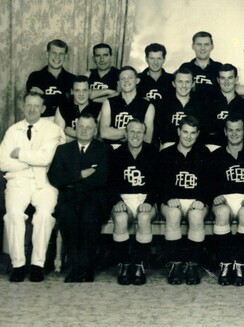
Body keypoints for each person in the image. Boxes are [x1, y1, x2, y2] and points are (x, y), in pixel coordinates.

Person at [0, 92, 65, 282]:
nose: (32, 109)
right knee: (13, 214)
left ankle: (38, 264)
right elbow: (2, 162)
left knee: (44, 215)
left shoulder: (52, 129)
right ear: (23, 106)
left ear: (43, 109)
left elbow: (46, 158)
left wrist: (19, 153)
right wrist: (29, 161)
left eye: (36, 106)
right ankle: (19, 264)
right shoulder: (13, 130)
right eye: (29, 105)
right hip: (18, 181)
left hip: (44, 181)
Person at [48, 114, 110, 282]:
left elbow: (102, 178)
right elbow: (54, 176)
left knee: (89, 216)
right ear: (75, 129)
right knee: (67, 216)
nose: (84, 130)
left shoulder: (103, 149)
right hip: (68, 200)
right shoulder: (63, 150)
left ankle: (87, 268)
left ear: (95, 130)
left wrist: (71, 181)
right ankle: (76, 267)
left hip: (94, 198)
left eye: (88, 127)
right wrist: (80, 174)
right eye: (81, 127)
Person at [210, 114, 244, 286]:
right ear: (225, 132)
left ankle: (239, 264)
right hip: (224, 200)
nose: (234, 134)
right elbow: (209, 181)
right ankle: (226, 264)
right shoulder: (217, 154)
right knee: (222, 213)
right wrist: (214, 195)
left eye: (238, 130)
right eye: (230, 130)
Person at [159, 116, 210, 285]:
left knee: (196, 216)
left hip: (196, 201)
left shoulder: (204, 153)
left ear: (198, 134)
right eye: (185, 132)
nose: (188, 136)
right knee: (173, 214)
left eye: (193, 133)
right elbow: (160, 183)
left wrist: (202, 199)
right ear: (179, 131)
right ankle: (175, 264)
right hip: (173, 201)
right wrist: (168, 198)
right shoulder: (166, 154)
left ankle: (192, 265)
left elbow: (211, 182)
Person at [109, 119, 159, 285]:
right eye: (132, 131)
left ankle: (139, 264)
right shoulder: (116, 153)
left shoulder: (152, 152)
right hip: (123, 198)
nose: (135, 135)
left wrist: (150, 201)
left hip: (145, 198)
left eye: (139, 132)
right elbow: (109, 182)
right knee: (121, 218)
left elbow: (159, 182)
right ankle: (124, 265)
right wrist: (116, 200)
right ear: (125, 133)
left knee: (144, 218)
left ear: (144, 134)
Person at [99, 66, 155, 148]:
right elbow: (104, 133)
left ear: (137, 80)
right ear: (118, 82)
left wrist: (116, 132)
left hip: (136, 150)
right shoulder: (108, 102)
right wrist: (135, 133)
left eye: (130, 77)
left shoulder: (148, 106)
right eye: (122, 78)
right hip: (112, 148)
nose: (126, 81)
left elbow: (147, 138)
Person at [26, 39, 75, 119]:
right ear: (47, 54)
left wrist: (44, 97)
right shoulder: (35, 77)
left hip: (64, 123)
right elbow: (34, 102)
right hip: (41, 121)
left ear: (65, 57)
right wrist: (63, 97)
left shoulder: (72, 79)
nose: (57, 57)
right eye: (54, 53)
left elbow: (72, 106)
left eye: (61, 54)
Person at [208, 63, 244, 147]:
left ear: (236, 79)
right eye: (222, 78)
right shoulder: (208, 102)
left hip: (237, 149)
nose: (226, 82)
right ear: (218, 80)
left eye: (230, 78)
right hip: (214, 147)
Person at [158, 68, 202, 148]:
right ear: (173, 83)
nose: (184, 86)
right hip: (169, 146)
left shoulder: (200, 105)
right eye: (180, 82)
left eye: (187, 82)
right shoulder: (164, 104)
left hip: (193, 147)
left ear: (193, 84)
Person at [180, 32, 222, 110]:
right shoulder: (186, 67)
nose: (202, 48)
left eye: (206, 44)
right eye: (199, 44)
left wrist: (197, 87)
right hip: (191, 112)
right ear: (193, 46)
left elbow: (230, 87)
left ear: (212, 47)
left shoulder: (218, 67)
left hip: (214, 112)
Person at [54, 75, 101, 142]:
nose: (81, 94)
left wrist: (71, 133)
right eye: (77, 90)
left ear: (90, 91)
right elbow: (58, 137)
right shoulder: (63, 108)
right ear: (72, 91)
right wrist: (85, 136)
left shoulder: (98, 108)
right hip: (69, 149)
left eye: (84, 90)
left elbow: (96, 136)